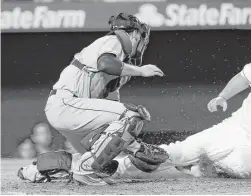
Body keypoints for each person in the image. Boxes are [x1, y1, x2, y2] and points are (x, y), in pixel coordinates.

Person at [116, 37, 251, 178]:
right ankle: (116, 167)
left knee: (233, 166)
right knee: (180, 150)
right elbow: (244, 77)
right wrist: (223, 96)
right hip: (233, 128)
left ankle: (194, 168)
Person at [18, 13, 169, 185]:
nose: (141, 41)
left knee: (104, 163)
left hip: (70, 110)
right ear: (134, 34)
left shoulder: (118, 72)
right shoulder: (116, 40)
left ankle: (35, 171)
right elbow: (106, 63)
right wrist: (142, 71)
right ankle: (84, 171)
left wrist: (135, 148)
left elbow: (115, 118)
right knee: (133, 115)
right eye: (140, 36)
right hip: (67, 104)